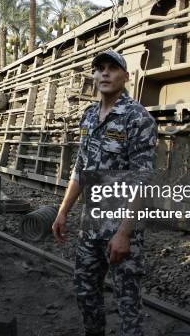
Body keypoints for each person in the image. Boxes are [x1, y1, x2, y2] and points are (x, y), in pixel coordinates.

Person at [52, 49, 157, 336]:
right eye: (100, 69)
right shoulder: (88, 117)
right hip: (91, 226)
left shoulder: (138, 118)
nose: (105, 73)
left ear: (126, 75)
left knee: (127, 305)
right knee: (85, 293)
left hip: (122, 228)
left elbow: (143, 179)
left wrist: (124, 233)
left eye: (112, 68)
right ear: (94, 76)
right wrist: (63, 212)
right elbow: (80, 169)